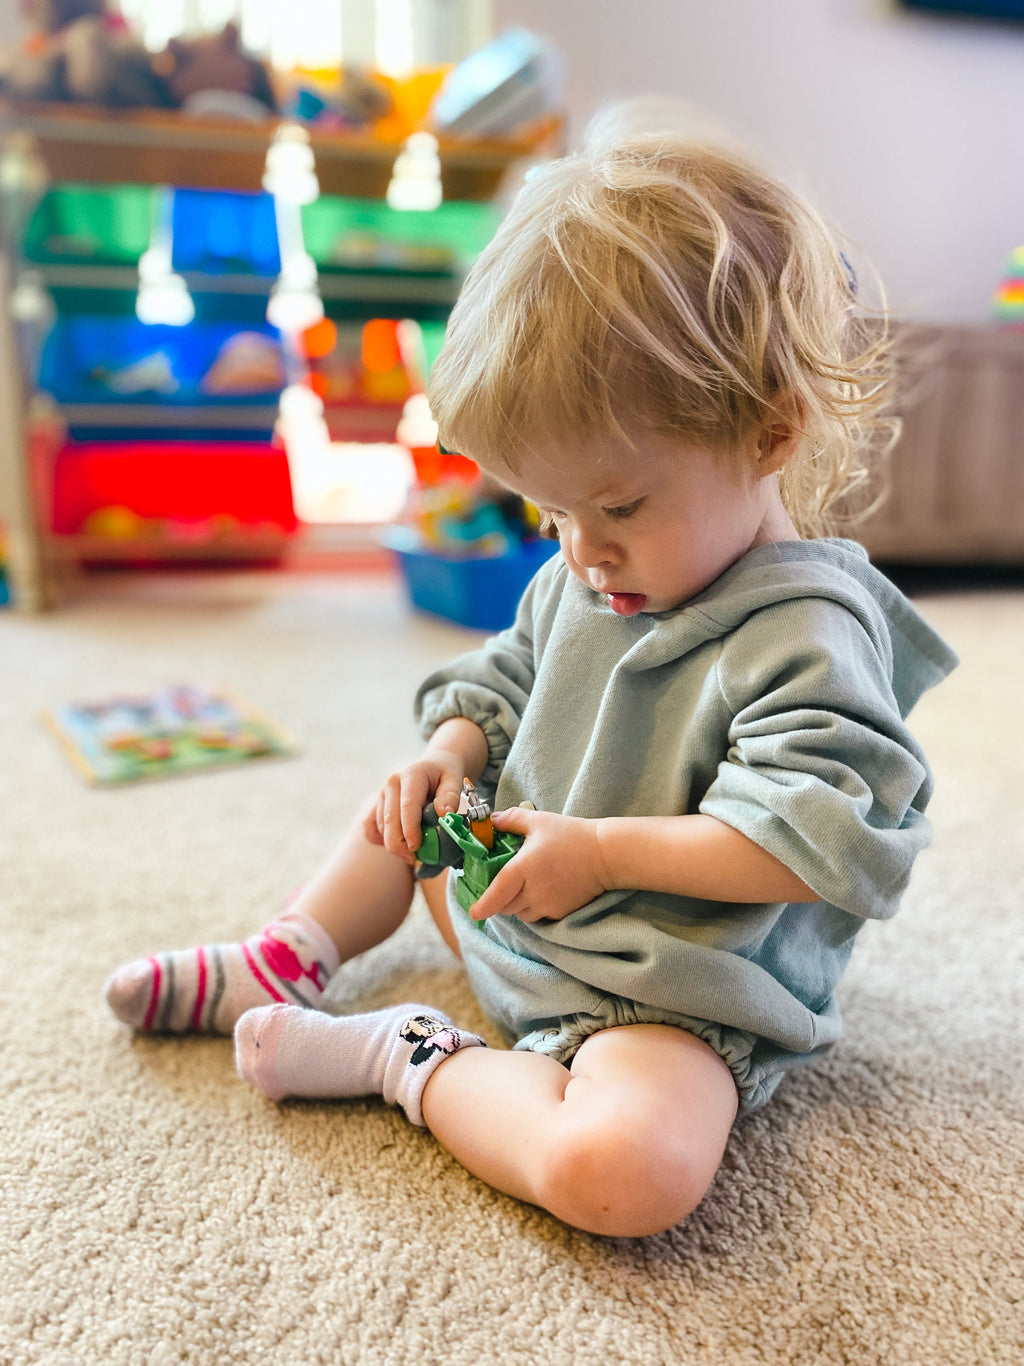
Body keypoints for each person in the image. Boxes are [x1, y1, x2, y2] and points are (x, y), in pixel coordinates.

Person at [105, 111, 957, 1238]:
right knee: (408, 809)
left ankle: (406, 1057)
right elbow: (505, 676)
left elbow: (810, 843)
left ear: (768, 432)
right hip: (516, 902)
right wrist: (448, 754)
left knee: (628, 1172)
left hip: (666, 990)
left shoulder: (805, 630)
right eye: (549, 509)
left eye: (615, 504)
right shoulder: (597, 566)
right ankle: (289, 951)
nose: (580, 549)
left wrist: (597, 851)